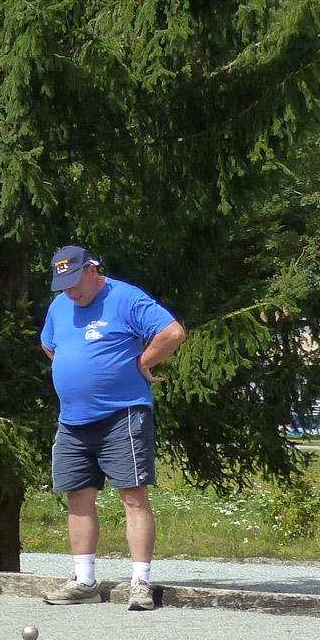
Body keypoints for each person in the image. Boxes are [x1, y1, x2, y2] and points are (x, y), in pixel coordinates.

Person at [38, 245, 186, 609]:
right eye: (63, 285)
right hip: (72, 419)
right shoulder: (59, 307)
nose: (71, 292)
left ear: (92, 269)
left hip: (122, 413)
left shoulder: (125, 298)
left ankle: (140, 583)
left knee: (133, 496)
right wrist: (76, 369)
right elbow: (49, 345)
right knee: (78, 496)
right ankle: (85, 581)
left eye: (75, 282)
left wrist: (139, 364)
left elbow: (172, 332)